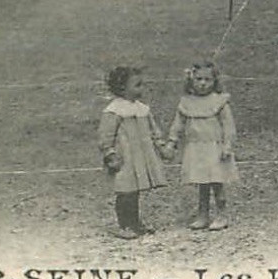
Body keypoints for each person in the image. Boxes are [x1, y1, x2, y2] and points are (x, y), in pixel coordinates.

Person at [166, 61, 239, 231]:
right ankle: (202, 215)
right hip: (196, 148)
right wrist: (172, 141)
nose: (203, 83)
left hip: (215, 148)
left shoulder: (219, 102)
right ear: (191, 80)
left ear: (215, 81)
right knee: (202, 184)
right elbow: (178, 124)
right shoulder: (186, 102)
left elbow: (229, 126)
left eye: (207, 79)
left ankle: (221, 214)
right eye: (199, 79)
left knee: (217, 182)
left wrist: (227, 145)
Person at [98, 65, 168, 239]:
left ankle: (135, 223)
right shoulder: (114, 110)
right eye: (137, 85)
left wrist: (162, 146)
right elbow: (106, 135)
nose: (141, 89)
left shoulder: (142, 109)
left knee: (134, 192)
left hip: (140, 157)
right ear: (123, 87)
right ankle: (124, 225)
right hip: (125, 158)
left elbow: (154, 130)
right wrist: (110, 153)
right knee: (125, 192)